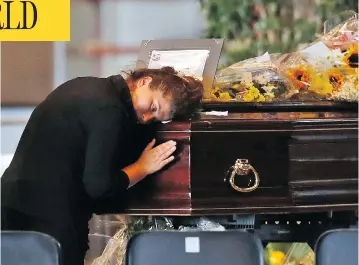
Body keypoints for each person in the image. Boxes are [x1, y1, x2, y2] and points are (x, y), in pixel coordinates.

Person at [1, 66, 203, 265]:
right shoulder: (110, 109)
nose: (147, 118)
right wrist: (142, 167)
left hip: (11, 202)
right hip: (49, 219)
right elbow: (98, 186)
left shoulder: (84, 85)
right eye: (153, 107)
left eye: (156, 119)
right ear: (144, 81)